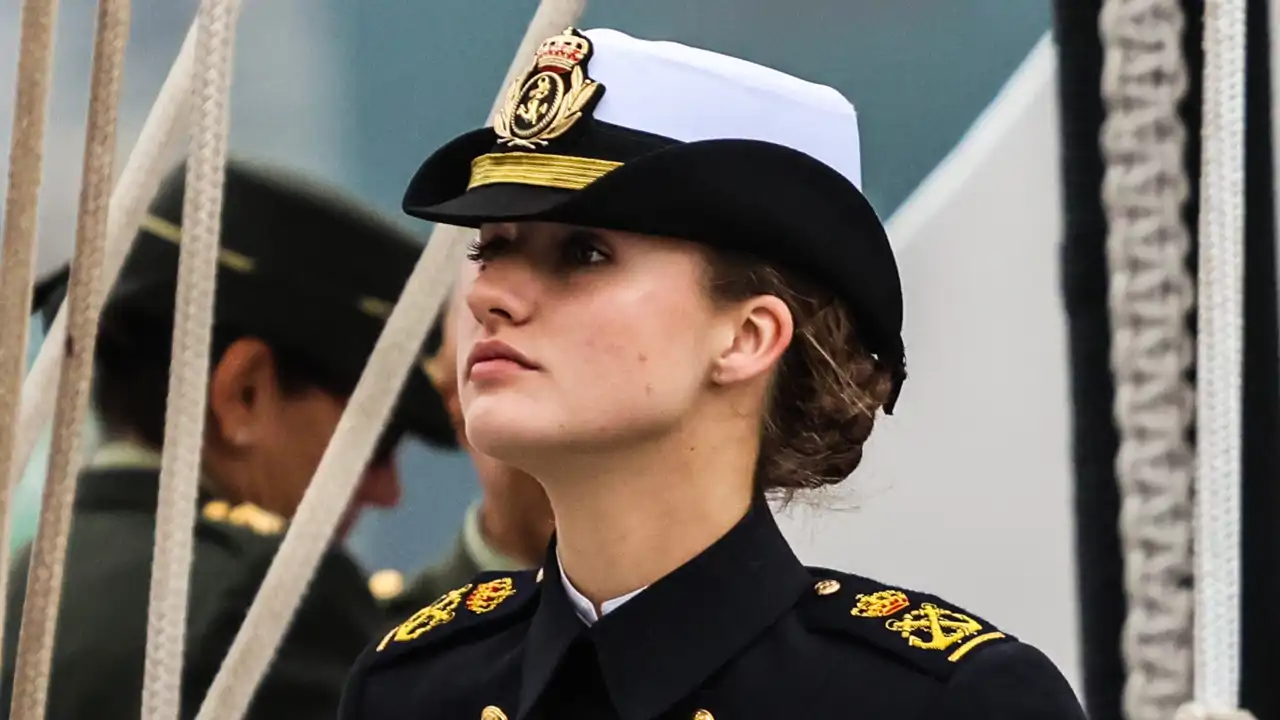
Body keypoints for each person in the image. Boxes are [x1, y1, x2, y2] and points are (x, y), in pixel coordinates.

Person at [342, 26, 1085, 720]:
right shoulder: (409, 688)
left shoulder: (945, 703)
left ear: (747, 336)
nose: (488, 295)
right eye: (491, 247)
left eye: (583, 254)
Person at [1, 159, 458, 719]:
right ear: (245, 393)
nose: (388, 491)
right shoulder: (265, 602)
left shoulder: (29, 579)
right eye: (381, 438)